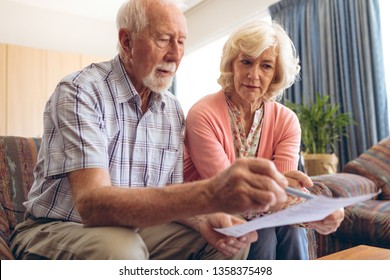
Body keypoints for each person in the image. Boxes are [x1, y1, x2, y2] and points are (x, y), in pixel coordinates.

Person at [9, 0, 293, 260]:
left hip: (137, 229)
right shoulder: (81, 91)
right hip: (60, 227)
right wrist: (209, 194)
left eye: (181, 42)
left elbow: (169, 190)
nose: (175, 54)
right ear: (126, 41)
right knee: (123, 250)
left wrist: (204, 219)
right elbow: (92, 205)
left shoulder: (171, 109)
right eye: (163, 39)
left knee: (231, 240)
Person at [183, 20, 345, 259]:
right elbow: (229, 191)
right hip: (207, 210)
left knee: (286, 227)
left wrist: (302, 204)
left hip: (260, 213)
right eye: (246, 62)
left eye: (266, 66)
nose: (253, 75)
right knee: (266, 232)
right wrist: (312, 209)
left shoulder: (286, 121)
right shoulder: (202, 114)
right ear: (232, 65)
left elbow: (287, 189)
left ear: (276, 74)